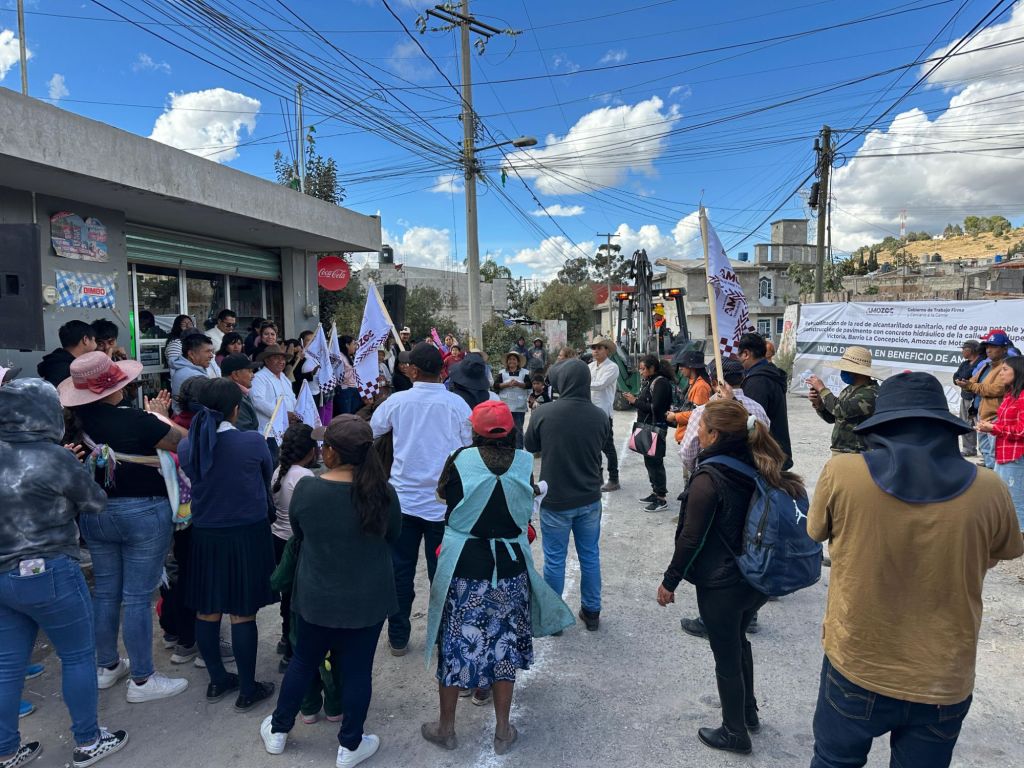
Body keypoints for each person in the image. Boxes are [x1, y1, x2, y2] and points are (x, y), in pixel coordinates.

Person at [806, 372, 1023, 768]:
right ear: (945, 427)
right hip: (943, 676)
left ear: (880, 425)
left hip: (858, 661)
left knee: (834, 760)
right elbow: (1001, 551)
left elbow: (816, 531)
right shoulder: (989, 488)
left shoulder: (843, 473)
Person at [422, 401, 573, 755]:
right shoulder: (523, 462)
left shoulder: (459, 460)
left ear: (475, 431)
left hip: (465, 567)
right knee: (503, 646)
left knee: (455, 646)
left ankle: (446, 728)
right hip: (509, 568)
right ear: (511, 431)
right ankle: (503, 731)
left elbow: (443, 495)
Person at [659, 399, 803, 755]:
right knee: (738, 641)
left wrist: (670, 581)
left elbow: (691, 537)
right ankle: (748, 712)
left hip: (722, 583)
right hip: (755, 577)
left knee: (725, 654)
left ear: (715, 434)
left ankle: (734, 732)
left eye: (701, 428)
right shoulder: (758, 463)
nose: (697, 434)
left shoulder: (709, 477)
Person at [0, 378, 130, 768]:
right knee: (77, 657)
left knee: (7, 665)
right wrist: (76, 468)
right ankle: (88, 741)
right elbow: (95, 502)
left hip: (3, 576)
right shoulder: (54, 457)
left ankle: (6, 750)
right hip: (51, 571)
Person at [260, 415, 401, 768]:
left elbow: (299, 532)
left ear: (332, 453)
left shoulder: (309, 489)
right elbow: (394, 534)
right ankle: (350, 745)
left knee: (303, 661)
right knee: (358, 670)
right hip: (367, 600)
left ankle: (278, 730)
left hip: (316, 597)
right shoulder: (383, 493)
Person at [60, 352, 190, 703]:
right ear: (114, 387)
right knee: (137, 597)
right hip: (143, 513)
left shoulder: (72, 425)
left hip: (94, 514)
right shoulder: (137, 420)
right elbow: (184, 442)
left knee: (106, 592)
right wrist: (160, 415)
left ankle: (107, 666)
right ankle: (143, 680)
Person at [178, 378, 277, 713]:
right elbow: (266, 476)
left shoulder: (188, 446)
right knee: (242, 611)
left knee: (207, 608)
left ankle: (218, 678)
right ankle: (248, 688)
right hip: (247, 533)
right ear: (236, 409)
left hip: (206, 533)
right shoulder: (252, 442)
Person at [369, 342, 472, 656]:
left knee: (400, 572)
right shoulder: (457, 405)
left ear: (412, 370)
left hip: (403, 502)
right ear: (442, 370)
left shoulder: (397, 402)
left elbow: (374, 430)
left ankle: (398, 636)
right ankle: (443, 637)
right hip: (443, 505)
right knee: (443, 574)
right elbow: (469, 444)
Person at [525, 359, 609, 632]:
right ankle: (592, 611)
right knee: (590, 555)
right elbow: (603, 444)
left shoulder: (544, 412)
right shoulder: (599, 416)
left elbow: (530, 445)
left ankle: (554, 619)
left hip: (556, 499)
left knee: (554, 560)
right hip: (589, 497)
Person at [270, 424, 317, 672]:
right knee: (298, 600)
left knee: (287, 595)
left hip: (278, 538)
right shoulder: (305, 477)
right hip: (297, 543)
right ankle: (291, 650)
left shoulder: (278, 471)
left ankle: (284, 637)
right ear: (311, 451)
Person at [976, 356, 1024, 530]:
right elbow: (1006, 423)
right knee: (1003, 498)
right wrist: (989, 426)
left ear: (1017, 372)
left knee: (1015, 502)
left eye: (1005, 370)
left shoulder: (1022, 397)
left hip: (1016, 456)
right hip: (1003, 454)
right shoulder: (1011, 394)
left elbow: (1021, 430)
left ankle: (1019, 536)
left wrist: (994, 428)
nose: (1000, 373)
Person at [623, 355, 674, 512]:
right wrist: (635, 400)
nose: (641, 372)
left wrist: (635, 401)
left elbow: (656, 408)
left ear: (652, 368)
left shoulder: (661, 383)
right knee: (649, 461)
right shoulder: (651, 381)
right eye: (640, 369)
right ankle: (655, 491)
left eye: (643, 368)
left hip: (655, 427)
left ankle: (661, 498)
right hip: (648, 427)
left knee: (655, 462)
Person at [807, 346, 879, 454]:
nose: (842, 371)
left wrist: (822, 390)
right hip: (841, 450)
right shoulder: (849, 389)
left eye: (846, 368)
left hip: (857, 453)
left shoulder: (870, 393)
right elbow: (833, 418)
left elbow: (842, 410)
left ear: (857, 371)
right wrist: (819, 404)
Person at [957, 329, 1012, 469]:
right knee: (986, 452)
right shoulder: (988, 365)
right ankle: (991, 476)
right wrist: (967, 384)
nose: (989, 350)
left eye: (993, 346)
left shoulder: (1007, 366)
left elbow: (996, 389)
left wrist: (970, 386)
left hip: (996, 416)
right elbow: (972, 381)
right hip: (983, 414)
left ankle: (996, 480)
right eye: (987, 346)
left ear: (1004, 349)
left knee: (995, 455)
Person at [737, 332, 792, 470]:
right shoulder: (769, 372)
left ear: (746, 354)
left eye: (739, 355)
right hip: (776, 451)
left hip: (767, 457)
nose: (738, 359)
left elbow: (753, 423)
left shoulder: (758, 381)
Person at [588, 336, 620, 492]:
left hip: (603, 413)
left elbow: (600, 385)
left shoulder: (612, 367)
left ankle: (614, 479)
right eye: (594, 348)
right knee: (593, 447)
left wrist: (581, 382)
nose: (596, 351)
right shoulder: (589, 366)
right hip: (589, 412)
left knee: (608, 447)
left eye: (599, 348)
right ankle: (597, 476)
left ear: (607, 350)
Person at [666, 350, 712, 444]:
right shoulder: (693, 383)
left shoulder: (701, 386)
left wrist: (675, 416)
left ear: (692, 367)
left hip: (693, 440)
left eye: (682, 365)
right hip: (688, 438)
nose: (680, 368)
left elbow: (698, 415)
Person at [251, 345, 299, 434]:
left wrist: (295, 414)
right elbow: (257, 401)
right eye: (276, 358)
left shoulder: (285, 379)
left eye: (283, 359)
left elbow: (293, 399)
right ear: (266, 360)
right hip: (268, 431)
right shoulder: (258, 378)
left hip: (287, 430)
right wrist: (283, 414)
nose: (281, 361)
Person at [37, 320, 96, 387]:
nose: (96, 345)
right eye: (94, 340)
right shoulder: (66, 370)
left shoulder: (57, 363)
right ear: (85, 339)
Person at [170, 334, 220, 410]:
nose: (211, 356)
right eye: (207, 351)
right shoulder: (194, 376)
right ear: (191, 354)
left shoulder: (185, 370)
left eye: (212, 351)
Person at [494, 350, 530, 449]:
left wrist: (519, 384)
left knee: (518, 429)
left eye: (514, 359)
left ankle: (518, 450)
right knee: (504, 428)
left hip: (519, 407)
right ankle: (506, 448)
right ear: (507, 362)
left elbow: (529, 385)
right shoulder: (502, 373)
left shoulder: (525, 373)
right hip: (505, 406)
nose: (512, 361)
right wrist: (506, 384)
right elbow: (495, 385)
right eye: (510, 359)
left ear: (518, 362)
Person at [954, 340, 983, 457]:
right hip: (965, 397)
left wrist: (963, 379)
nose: (962, 351)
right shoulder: (965, 363)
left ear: (971, 350)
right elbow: (956, 376)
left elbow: (967, 376)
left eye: (964, 349)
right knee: (965, 423)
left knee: (979, 424)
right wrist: (960, 380)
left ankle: (986, 453)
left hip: (977, 399)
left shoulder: (982, 363)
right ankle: (968, 449)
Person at [221, 353, 260, 432]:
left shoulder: (228, 392)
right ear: (235, 375)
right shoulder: (233, 396)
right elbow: (245, 431)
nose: (253, 375)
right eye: (250, 371)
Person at [333, 335, 361, 416]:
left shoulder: (348, 356)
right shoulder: (340, 357)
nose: (355, 346)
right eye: (353, 344)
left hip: (353, 388)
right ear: (347, 345)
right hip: (345, 390)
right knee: (346, 416)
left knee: (353, 414)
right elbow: (338, 375)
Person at [390, 328, 414, 392]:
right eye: (404, 334)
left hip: (407, 373)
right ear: (400, 334)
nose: (405, 336)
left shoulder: (409, 346)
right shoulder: (395, 346)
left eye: (407, 334)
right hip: (398, 373)